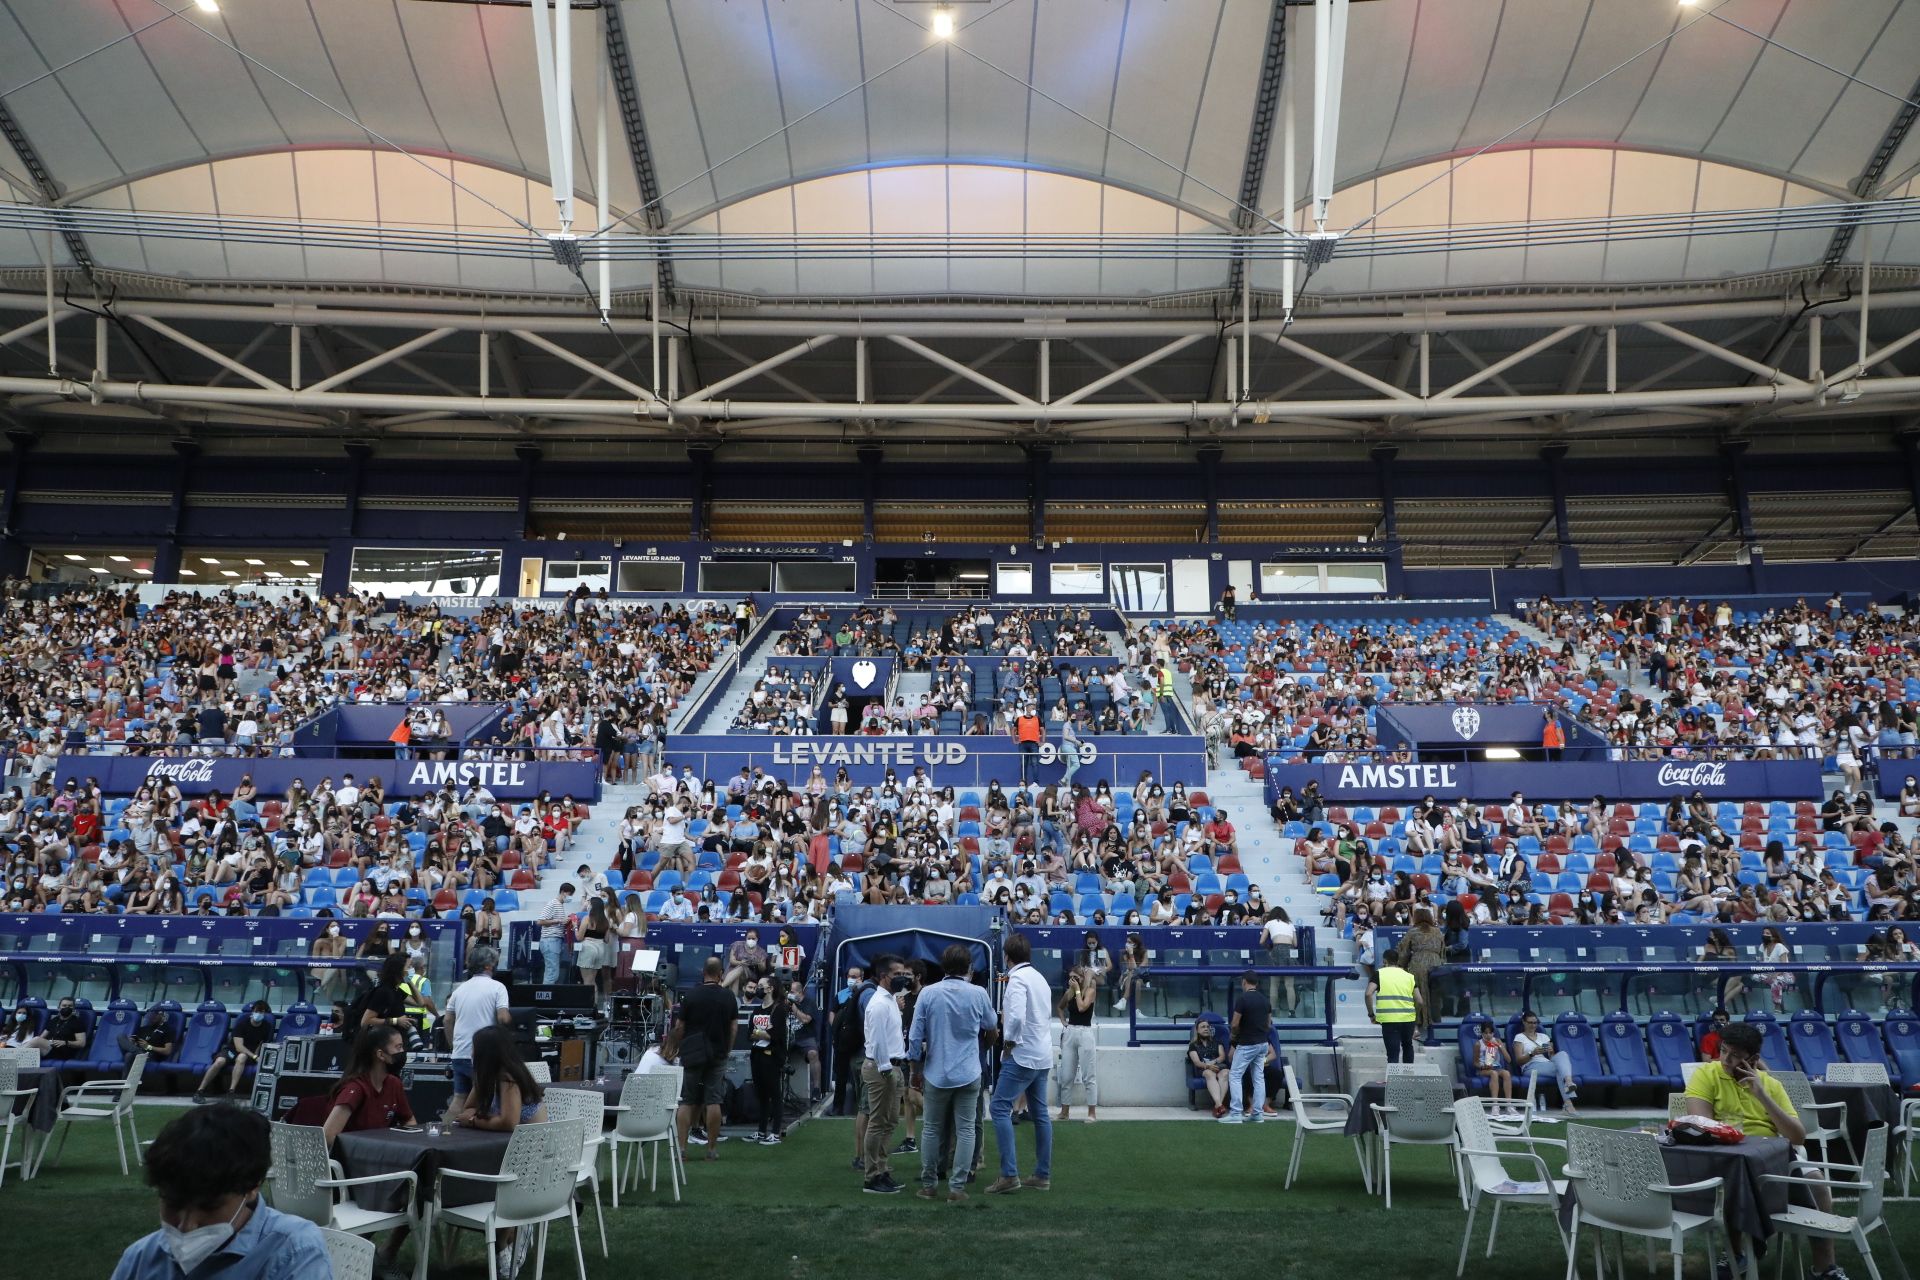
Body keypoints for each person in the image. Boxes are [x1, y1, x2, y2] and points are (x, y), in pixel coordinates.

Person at [1685, 1022, 1845, 1279]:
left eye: (1736, 1055)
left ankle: (1824, 1268)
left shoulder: (1771, 1085)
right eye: (1724, 1050)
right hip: (1725, 1153)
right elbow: (1702, 1123)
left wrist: (1761, 1094)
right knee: (1733, 1176)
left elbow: (1797, 1136)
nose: (1726, 1059)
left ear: (1754, 1059)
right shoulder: (1706, 1074)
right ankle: (1737, 1252)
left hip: (1770, 1157)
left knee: (1816, 1181)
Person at [110, 1104, 330, 1280]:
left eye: (209, 1207)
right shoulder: (141, 1258)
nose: (186, 1226)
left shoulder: (294, 1251)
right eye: (173, 1203)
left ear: (253, 1186)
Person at [456, 1024, 548, 1280]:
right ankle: (507, 1238)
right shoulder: (491, 1075)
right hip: (512, 1154)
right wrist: (475, 1110)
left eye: (475, 1050)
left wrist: (475, 1121)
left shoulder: (508, 1078)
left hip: (532, 1163)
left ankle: (511, 1236)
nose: (471, 1054)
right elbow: (468, 1108)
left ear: (487, 1053)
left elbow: (509, 1122)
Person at [907, 943, 997, 1202]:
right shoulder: (978, 992)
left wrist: (915, 1069)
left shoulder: (928, 994)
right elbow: (991, 1024)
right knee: (967, 1129)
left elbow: (915, 1037)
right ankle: (957, 1188)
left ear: (943, 967)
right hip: (969, 1071)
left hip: (936, 1071)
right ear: (969, 967)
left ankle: (929, 1184)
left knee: (932, 1129)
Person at [987, 932, 1054, 1194]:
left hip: (1023, 1053)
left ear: (1007, 956)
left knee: (999, 1107)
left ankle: (1009, 1174)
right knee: (1040, 1114)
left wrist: (1009, 1044)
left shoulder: (1016, 980)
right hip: (1043, 1053)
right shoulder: (1040, 978)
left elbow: (1014, 1018)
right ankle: (1042, 1174)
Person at [673, 956, 738, 1165]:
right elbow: (734, 1027)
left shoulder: (691, 995)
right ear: (721, 974)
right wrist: (727, 1049)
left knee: (687, 1100)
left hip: (692, 1054)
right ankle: (711, 1149)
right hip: (717, 1053)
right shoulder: (728, 997)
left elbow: (680, 1026)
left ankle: (682, 1149)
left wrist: (678, 1048)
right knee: (714, 1100)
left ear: (703, 972)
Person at [860, 953, 909, 1195]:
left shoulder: (890, 1000)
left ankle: (882, 1168)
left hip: (893, 1066)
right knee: (877, 1122)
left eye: (903, 974)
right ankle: (871, 1176)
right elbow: (878, 1041)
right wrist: (886, 1069)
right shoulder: (879, 1003)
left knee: (889, 1121)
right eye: (897, 974)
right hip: (883, 1067)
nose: (902, 978)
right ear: (883, 977)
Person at [444, 945, 512, 1115]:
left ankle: (447, 1133)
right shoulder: (497, 987)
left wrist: (453, 1046)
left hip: (459, 1054)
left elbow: (447, 1020)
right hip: (482, 1055)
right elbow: (503, 1018)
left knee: (459, 1098)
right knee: (488, 1099)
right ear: (488, 966)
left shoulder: (459, 990)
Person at [322, 1024, 416, 1146]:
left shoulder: (394, 1083)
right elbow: (328, 1136)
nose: (402, 1052)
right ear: (381, 1055)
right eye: (398, 1048)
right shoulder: (355, 1089)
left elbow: (409, 1120)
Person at [194, 1000, 274, 1104]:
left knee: (242, 1058)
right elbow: (239, 1047)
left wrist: (257, 1055)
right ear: (252, 1011)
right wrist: (254, 1056)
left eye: (262, 1012)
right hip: (232, 1051)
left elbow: (261, 1043)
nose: (259, 1014)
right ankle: (199, 1091)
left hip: (247, 1054)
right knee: (219, 1061)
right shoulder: (242, 1024)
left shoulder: (266, 1026)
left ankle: (231, 1092)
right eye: (257, 1011)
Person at [1221, 970, 1272, 1123]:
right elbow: (1269, 1024)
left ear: (1244, 982)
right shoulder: (1265, 1000)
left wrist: (1234, 1037)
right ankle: (1257, 1113)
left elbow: (1235, 1024)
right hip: (1262, 1043)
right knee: (1258, 1078)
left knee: (1235, 1075)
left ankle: (1236, 1113)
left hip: (1247, 1043)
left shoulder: (1242, 999)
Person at [747, 978, 790, 1145]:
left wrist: (762, 1033)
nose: (757, 989)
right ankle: (761, 1130)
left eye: (760, 986)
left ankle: (775, 1132)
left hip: (772, 1056)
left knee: (774, 1094)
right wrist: (762, 1033)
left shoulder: (778, 1009)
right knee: (761, 1095)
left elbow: (775, 1034)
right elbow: (750, 1033)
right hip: (757, 1054)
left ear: (770, 988)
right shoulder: (757, 1010)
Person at [1511, 1010, 1578, 1115]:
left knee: (1563, 1054)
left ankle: (1568, 1082)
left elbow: (1552, 1057)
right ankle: (1568, 1103)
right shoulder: (1519, 1037)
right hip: (1530, 1066)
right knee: (1559, 1070)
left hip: (1546, 1063)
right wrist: (1532, 1054)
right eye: (1530, 1023)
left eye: (1535, 1022)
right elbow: (1518, 1061)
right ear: (1524, 1022)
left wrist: (1551, 1052)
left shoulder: (1543, 1036)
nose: (1533, 1025)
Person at [1054, 964, 1098, 1123]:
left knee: (1088, 1075)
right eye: (1071, 977)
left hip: (1085, 1032)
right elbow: (1059, 1007)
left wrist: (1077, 990)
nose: (1073, 981)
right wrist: (1063, 1021)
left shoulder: (1090, 991)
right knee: (1066, 1075)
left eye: (1076, 977)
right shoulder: (1069, 992)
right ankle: (1064, 1111)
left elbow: (1082, 1007)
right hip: (1070, 1032)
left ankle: (1092, 1112)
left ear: (1082, 978)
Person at [1365, 951, 1421, 1065]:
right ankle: (1408, 1077)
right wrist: (1414, 1018)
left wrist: (1371, 1015)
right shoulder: (1409, 976)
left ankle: (1393, 1079)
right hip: (1408, 1020)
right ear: (1397, 961)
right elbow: (1420, 1000)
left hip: (1389, 1020)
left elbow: (1368, 994)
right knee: (1407, 1046)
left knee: (1393, 1053)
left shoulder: (1379, 974)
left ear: (1385, 961)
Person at [575, 897, 613, 1006]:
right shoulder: (606, 921)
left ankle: (587, 1005)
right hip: (600, 949)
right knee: (592, 980)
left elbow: (579, 937)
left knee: (587, 981)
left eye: (589, 903)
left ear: (592, 906)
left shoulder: (587, 919)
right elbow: (606, 940)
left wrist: (574, 927)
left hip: (588, 948)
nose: (587, 905)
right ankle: (594, 1005)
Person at [1471, 1019, 1515, 1111]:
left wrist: (1499, 1046)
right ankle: (1495, 1105)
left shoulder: (1497, 1041)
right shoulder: (1478, 1044)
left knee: (1506, 1073)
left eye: (1490, 1033)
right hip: (1483, 1069)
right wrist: (1483, 1066)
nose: (1488, 1035)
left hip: (1496, 1067)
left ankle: (1509, 1104)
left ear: (1493, 1033)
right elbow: (1475, 1063)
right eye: (1486, 1033)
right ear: (1482, 1033)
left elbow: (1509, 1059)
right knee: (1493, 1074)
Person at [1188, 1017, 1229, 1115]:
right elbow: (1197, 1062)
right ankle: (1219, 1105)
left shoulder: (1217, 1042)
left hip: (1219, 1066)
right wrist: (1208, 1066)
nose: (1206, 1029)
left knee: (1226, 1073)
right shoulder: (1193, 1045)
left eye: (1207, 1027)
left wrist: (1213, 1063)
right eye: (1203, 1027)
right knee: (1209, 1074)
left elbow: (1222, 1056)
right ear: (1197, 1030)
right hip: (1204, 1069)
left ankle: (1217, 1106)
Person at [537, 884, 575, 985]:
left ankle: (547, 997)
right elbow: (540, 921)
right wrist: (560, 920)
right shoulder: (553, 904)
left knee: (552, 972)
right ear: (563, 892)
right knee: (552, 973)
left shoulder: (560, 905)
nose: (570, 897)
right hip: (550, 940)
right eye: (570, 894)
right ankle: (546, 998)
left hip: (555, 941)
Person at [121, 1005, 176, 1072]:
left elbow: (167, 1051)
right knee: (121, 1036)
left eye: (154, 1014)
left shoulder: (168, 1030)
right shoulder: (144, 1028)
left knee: (129, 1055)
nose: (151, 1016)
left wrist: (148, 1047)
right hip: (139, 1051)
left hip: (151, 1055)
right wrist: (132, 1042)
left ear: (161, 1015)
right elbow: (135, 1040)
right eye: (150, 1014)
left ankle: (125, 1081)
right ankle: (139, 1052)